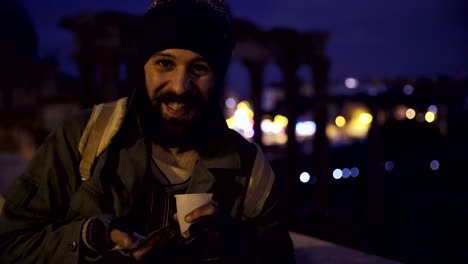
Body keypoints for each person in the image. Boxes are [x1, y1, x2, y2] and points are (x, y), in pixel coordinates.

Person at [0, 0, 295, 263]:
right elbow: (10, 244)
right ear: (143, 67)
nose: (179, 86)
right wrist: (90, 238)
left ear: (217, 77)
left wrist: (239, 244)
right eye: (164, 64)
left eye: (200, 68)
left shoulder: (250, 167)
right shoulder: (82, 137)